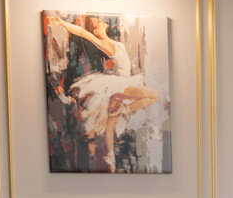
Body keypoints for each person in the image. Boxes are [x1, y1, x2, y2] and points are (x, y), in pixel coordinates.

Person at [47, 14, 159, 172]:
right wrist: (62, 23)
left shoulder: (113, 43)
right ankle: (125, 110)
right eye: (97, 22)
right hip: (119, 85)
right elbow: (82, 32)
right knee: (154, 95)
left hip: (117, 87)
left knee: (110, 123)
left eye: (99, 21)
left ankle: (110, 158)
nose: (100, 22)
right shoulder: (104, 44)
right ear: (96, 31)